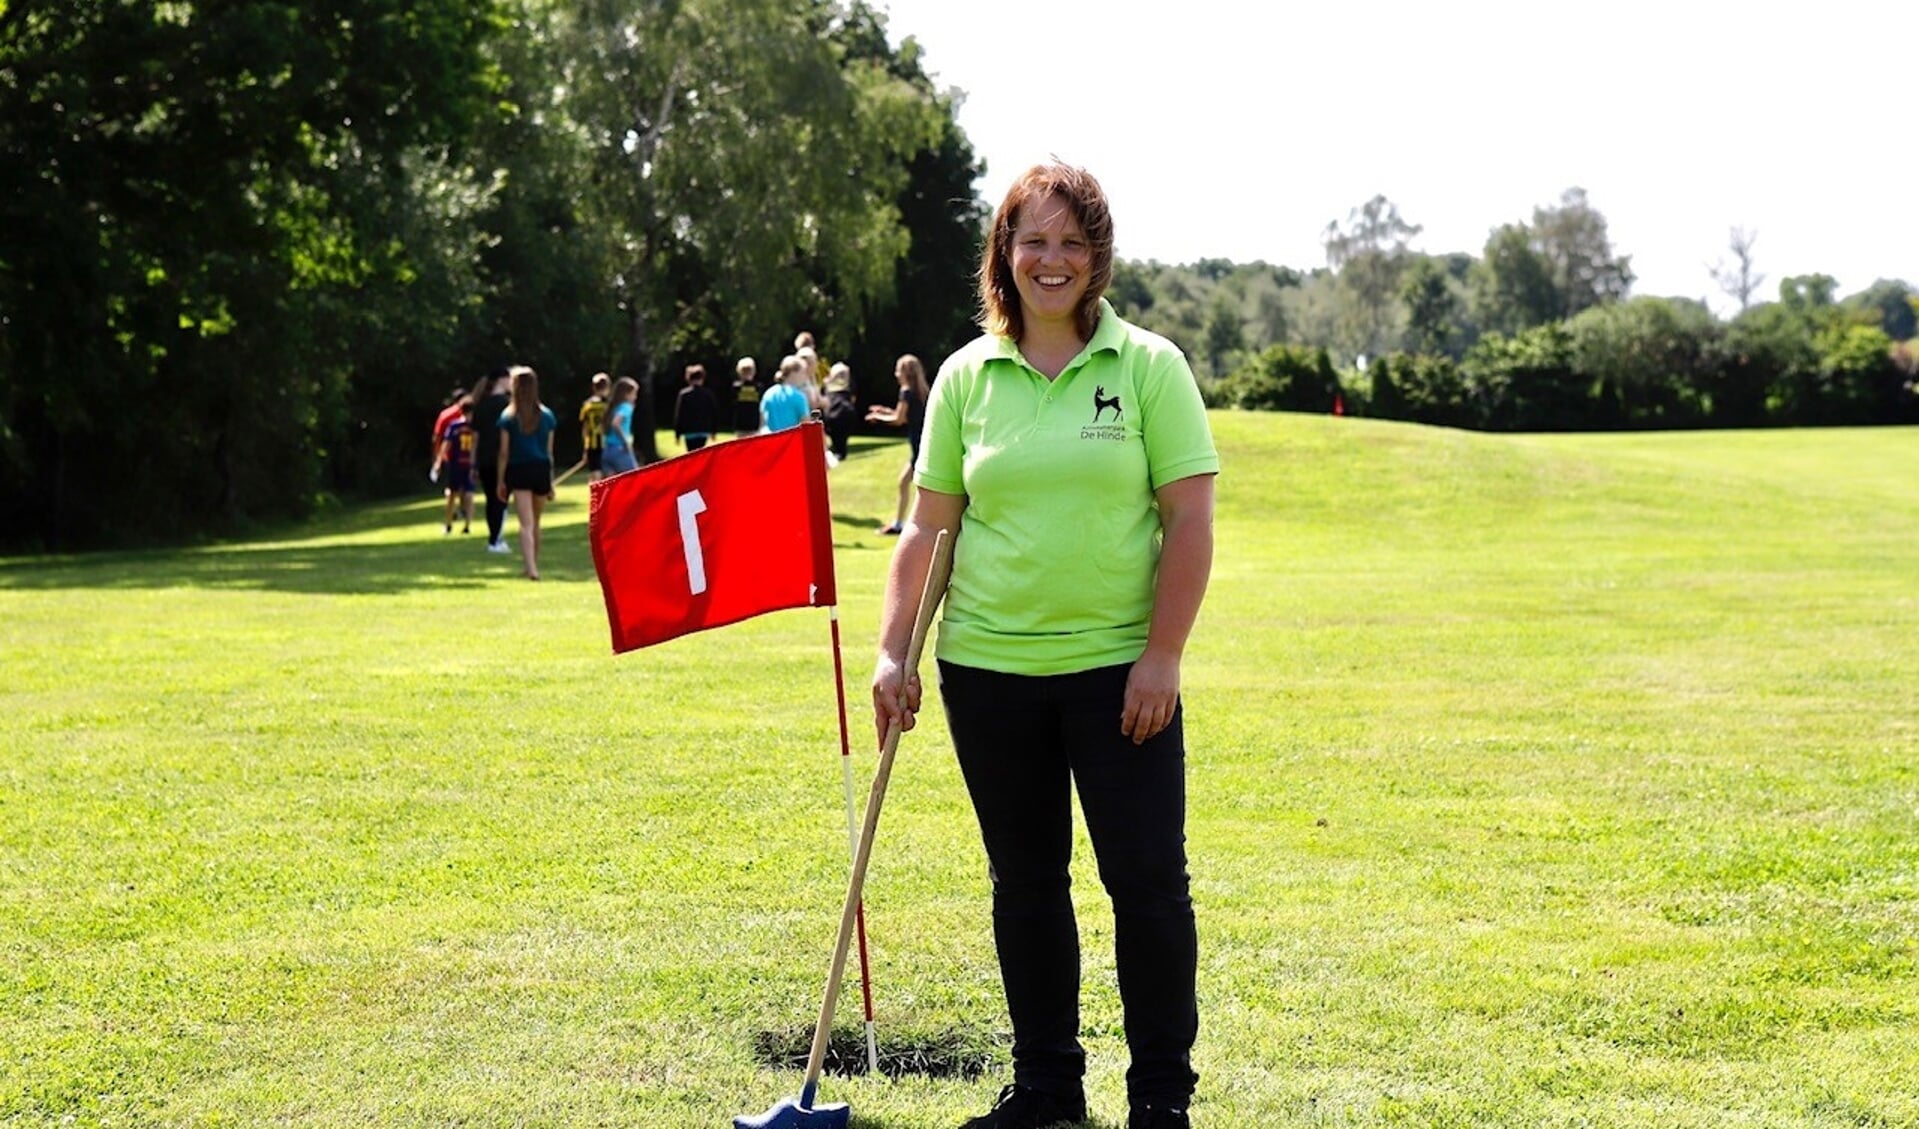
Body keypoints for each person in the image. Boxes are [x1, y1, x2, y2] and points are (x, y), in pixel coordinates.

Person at [870, 161, 1218, 1129]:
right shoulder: (962, 377)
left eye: (1071, 242)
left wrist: (1162, 655)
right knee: (1025, 884)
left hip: (1120, 675)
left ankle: (1159, 1101)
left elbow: (1188, 519)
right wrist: (893, 648)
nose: (1051, 260)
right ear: (1003, 254)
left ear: (1096, 255)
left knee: (1145, 883)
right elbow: (925, 528)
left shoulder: (1148, 365)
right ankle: (1047, 1093)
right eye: (1033, 241)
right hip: (987, 672)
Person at [494, 365, 558, 581]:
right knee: (536, 522)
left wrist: (500, 480)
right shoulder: (547, 416)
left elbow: (503, 453)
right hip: (540, 469)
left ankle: (530, 567)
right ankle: (533, 565)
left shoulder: (508, 417)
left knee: (526, 523)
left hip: (518, 470)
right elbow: (549, 452)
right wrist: (550, 482)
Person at [864, 354, 929, 534]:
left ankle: (910, 525)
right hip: (922, 443)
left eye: (898, 370)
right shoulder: (921, 391)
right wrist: (884, 410)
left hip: (917, 445)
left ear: (905, 373)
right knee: (904, 483)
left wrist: (877, 417)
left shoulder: (906, 391)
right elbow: (904, 414)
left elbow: (898, 419)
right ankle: (900, 523)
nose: (895, 374)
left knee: (918, 486)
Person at [469, 367, 514, 554]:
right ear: (502, 380)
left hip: (484, 458)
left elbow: (475, 438)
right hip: (502, 458)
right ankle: (497, 539)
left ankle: (493, 537)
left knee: (491, 499)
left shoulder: (480, 405)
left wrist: (473, 463)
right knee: (501, 498)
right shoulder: (507, 405)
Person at [430, 398, 476, 535]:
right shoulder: (462, 427)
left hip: (463, 464)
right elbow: (446, 444)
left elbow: (446, 444)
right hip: (460, 464)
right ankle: (456, 523)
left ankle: (460, 524)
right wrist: (439, 461)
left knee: (463, 494)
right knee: (458, 494)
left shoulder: (464, 427)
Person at [673, 363, 721, 452]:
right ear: (702, 378)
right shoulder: (708, 394)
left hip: (689, 431)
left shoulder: (684, 394)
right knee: (700, 453)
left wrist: (677, 434)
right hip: (703, 430)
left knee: (691, 453)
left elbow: (679, 415)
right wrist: (714, 431)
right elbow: (714, 412)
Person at [760, 354, 812, 434]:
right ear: (794, 373)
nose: (805, 377)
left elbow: (762, 424)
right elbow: (806, 427)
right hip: (792, 444)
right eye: (803, 372)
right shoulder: (799, 396)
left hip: (772, 443)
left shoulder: (768, 393)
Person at [601, 376, 640, 476]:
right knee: (635, 479)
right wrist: (625, 441)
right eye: (634, 394)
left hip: (607, 451)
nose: (635, 397)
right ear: (626, 394)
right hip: (620, 450)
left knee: (615, 487)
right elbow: (616, 423)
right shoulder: (626, 407)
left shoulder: (613, 407)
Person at [821, 361, 859, 462]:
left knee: (836, 438)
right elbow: (853, 399)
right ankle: (840, 454)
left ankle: (838, 454)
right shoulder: (849, 385)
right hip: (846, 412)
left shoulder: (828, 386)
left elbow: (825, 401)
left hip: (831, 413)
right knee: (842, 439)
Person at [580, 372, 611, 483]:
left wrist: (585, 448)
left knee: (595, 472)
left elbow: (585, 428)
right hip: (606, 443)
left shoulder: (587, 405)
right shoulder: (608, 405)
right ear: (607, 387)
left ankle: (595, 497)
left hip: (591, 444)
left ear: (594, 387)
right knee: (607, 474)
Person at [731, 357, 762, 434]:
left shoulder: (736, 387)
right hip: (754, 423)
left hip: (740, 424)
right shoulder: (758, 387)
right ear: (754, 371)